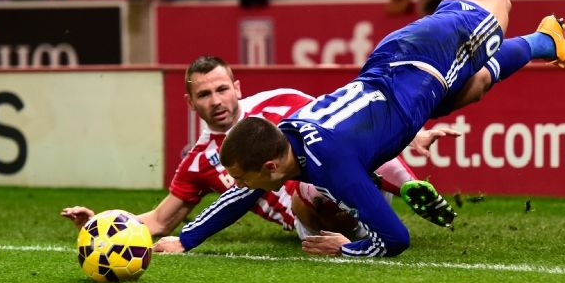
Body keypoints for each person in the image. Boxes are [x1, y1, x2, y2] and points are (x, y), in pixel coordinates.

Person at [217, 0, 565, 258]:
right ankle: (546, 41)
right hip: (403, 81)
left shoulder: (330, 165)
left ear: (270, 167)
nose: (239, 185)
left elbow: (395, 239)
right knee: (474, 86)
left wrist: (345, 248)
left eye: (242, 178)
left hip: (422, 61)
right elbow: (359, 142)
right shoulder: (290, 134)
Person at [62, 56, 436, 249]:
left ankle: (395, 201)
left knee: (334, 154)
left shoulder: (282, 101)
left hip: (355, 180)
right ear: (191, 103)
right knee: (308, 189)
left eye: (222, 89)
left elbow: (348, 122)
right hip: (311, 217)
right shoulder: (199, 159)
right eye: (204, 95)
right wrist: (104, 225)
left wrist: (409, 134)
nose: (216, 101)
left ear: (237, 88)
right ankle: (360, 235)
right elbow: (160, 221)